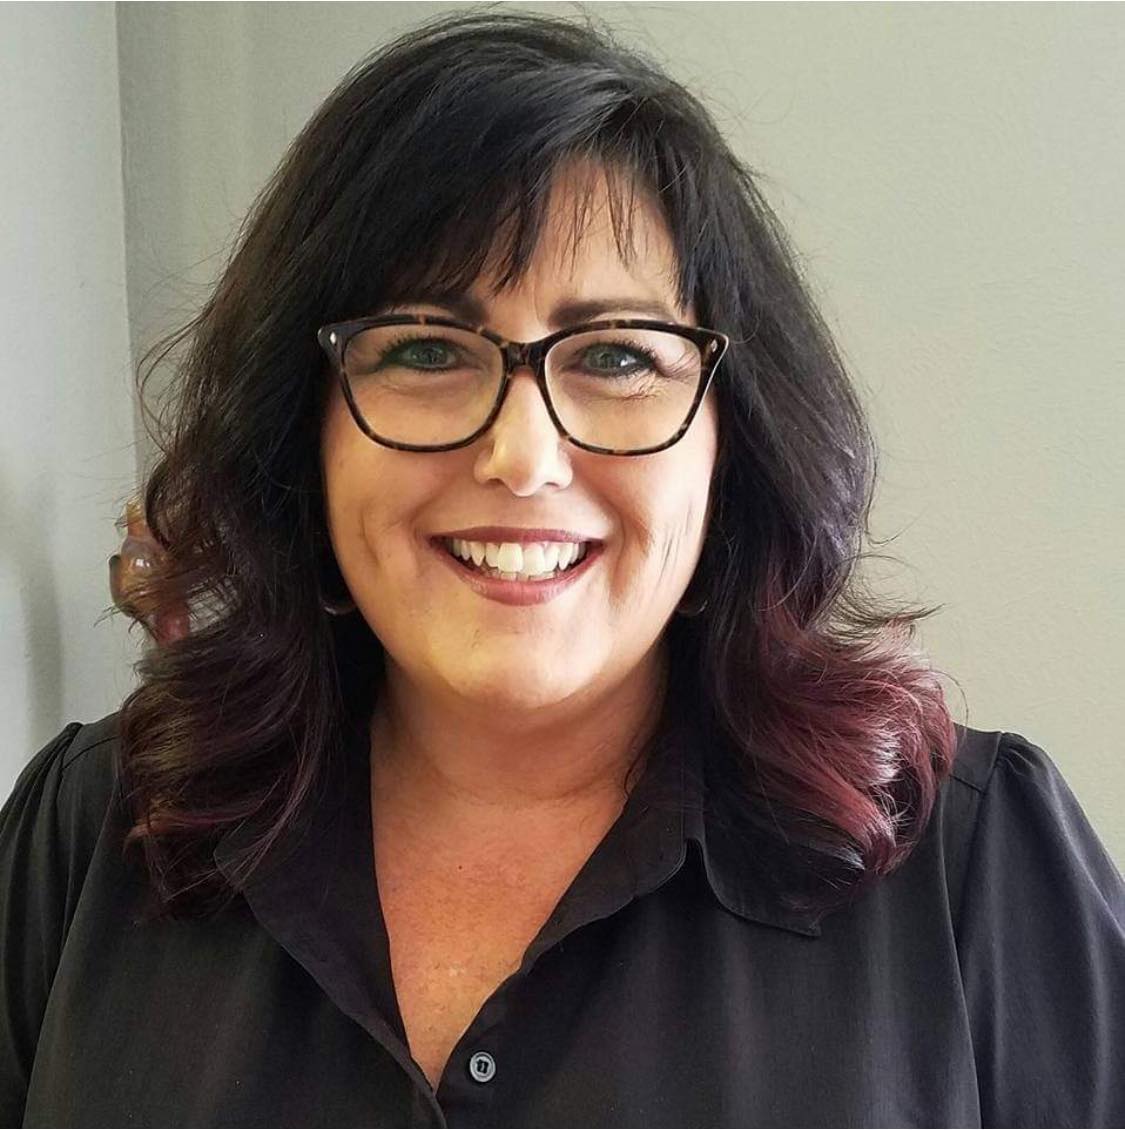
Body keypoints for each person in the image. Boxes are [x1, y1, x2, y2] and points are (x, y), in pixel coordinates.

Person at [2, 9, 1123, 1127]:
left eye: (618, 355)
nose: (522, 456)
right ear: (305, 429)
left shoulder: (973, 867)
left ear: (732, 437)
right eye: (425, 349)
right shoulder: (92, 837)